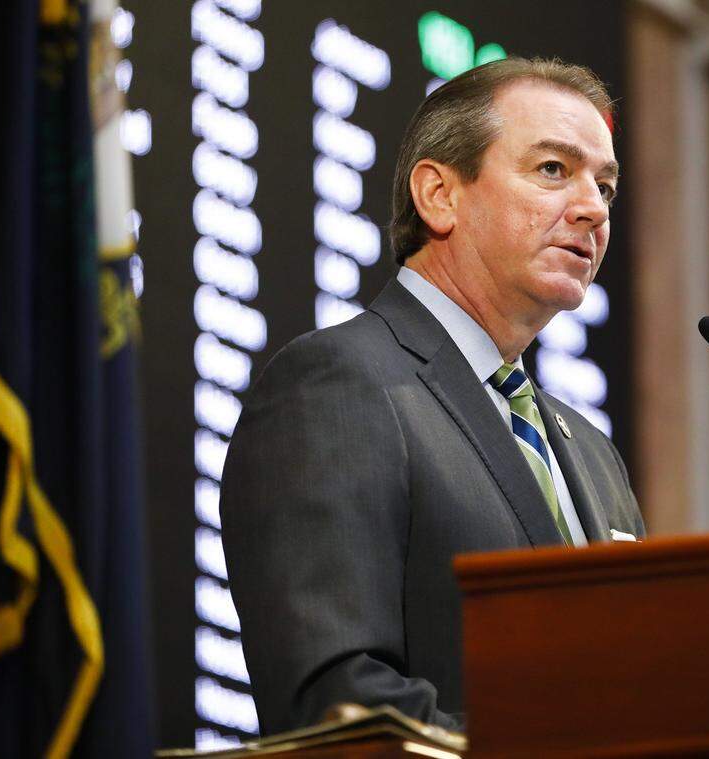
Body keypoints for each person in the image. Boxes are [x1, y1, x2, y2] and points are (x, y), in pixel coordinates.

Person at [220, 57, 645, 737]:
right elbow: (337, 703)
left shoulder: (594, 456)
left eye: (605, 185)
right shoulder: (340, 385)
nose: (593, 207)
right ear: (439, 195)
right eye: (553, 170)